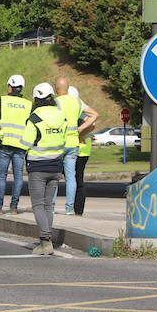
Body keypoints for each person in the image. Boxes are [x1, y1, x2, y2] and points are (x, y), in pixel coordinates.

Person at [26, 83, 70, 255]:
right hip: (56, 165)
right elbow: (64, 139)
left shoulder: (35, 117)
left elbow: (26, 142)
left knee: (38, 205)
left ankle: (45, 241)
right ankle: (46, 239)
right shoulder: (61, 116)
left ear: (36, 99)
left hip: (38, 166)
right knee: (48, 206)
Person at [0, 74, 31, 216]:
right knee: (18, 176)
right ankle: (14, 207)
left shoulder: (2, 101)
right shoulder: (28, 104)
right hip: (20, 145)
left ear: (10, 87)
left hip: (4, 144)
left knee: (1, 176)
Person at [55, 78, 98, 215]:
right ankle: (70, 208)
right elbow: (94, 117)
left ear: (57, 89)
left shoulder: (56, 102)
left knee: (54, 176)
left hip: (60, 143)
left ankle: (51, 206)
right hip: (75, 145)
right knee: (72, 178)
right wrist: (80, 131)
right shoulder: (77, 103)